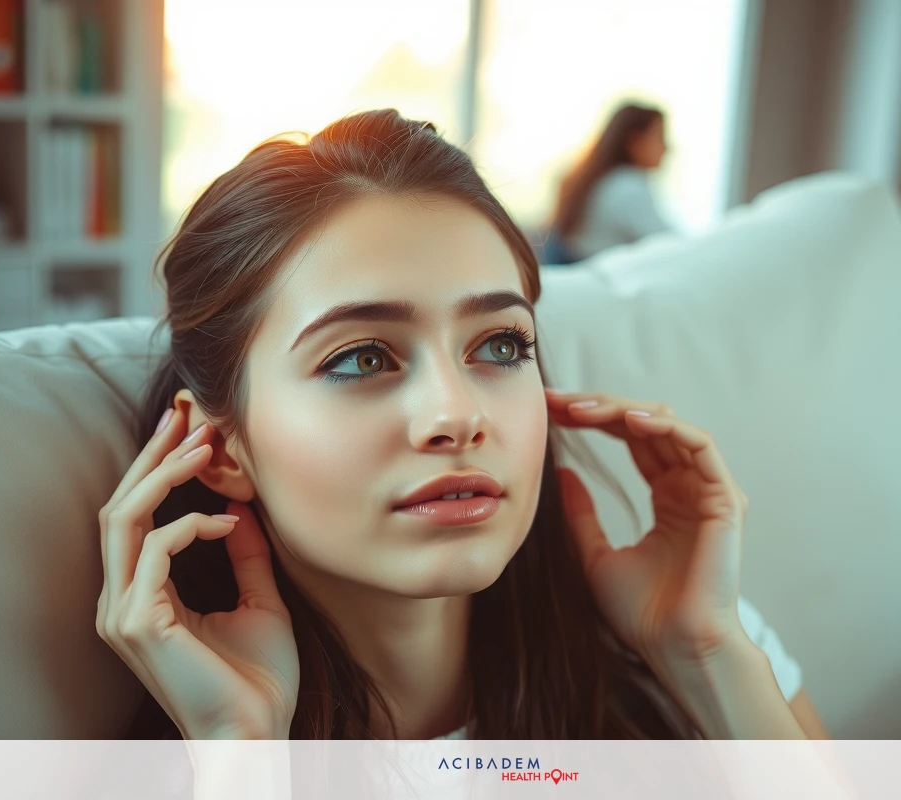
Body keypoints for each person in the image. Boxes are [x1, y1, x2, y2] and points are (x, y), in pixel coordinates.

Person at [96, 109, 828, 741]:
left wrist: (703, 654)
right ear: (218, 446)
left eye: (501, 345)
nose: (457, 414)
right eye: (360, 359)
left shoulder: (697, 629)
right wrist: (239, 746)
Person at [547, 103, 673, 263]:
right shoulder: (627, 186)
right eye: (660, 137)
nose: (667, 148)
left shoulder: (599, 180)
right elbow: (669, 244)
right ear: (635, 142)